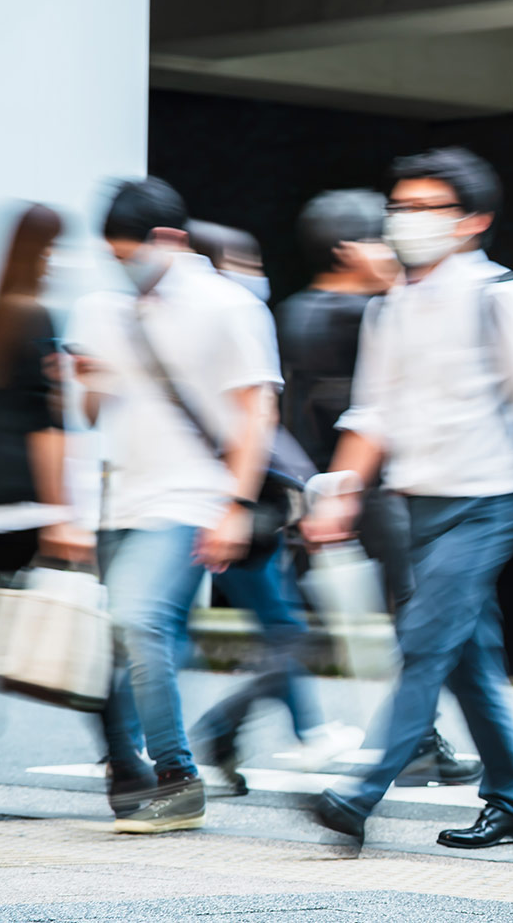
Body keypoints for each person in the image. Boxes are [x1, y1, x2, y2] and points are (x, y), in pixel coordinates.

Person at [300, 147, 513, 849]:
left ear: (473, 221)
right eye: (400, 207)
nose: (407, 220)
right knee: (467, 655)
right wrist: (340, 490)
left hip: (488, 501)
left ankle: (360, 789)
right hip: (422, 502)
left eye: (425, 208)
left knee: (425, 639)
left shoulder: (504, 296)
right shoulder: (392, 306)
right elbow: (371, 412)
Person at [69, 178, 285, 834]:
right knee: (127, 636)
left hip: (192, 495)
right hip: (117, 498)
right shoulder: (101, 308)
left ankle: (175, 774)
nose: (123, 264)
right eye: (114, 254)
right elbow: (88, 410)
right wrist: (87, 379)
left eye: (132, 251)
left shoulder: (229, 305)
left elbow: (257, 412)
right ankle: (129, 767)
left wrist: (235, 504)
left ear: (173, 241)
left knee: (139, 618)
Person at [274, 191, 478, 787]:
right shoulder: (364, 312)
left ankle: (418, 737)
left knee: (321, 622)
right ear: (346, 249)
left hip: (324, 486)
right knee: (418, 613)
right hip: (371, 488)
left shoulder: (295, 310)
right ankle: (415, 739)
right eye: (378, 238)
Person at [182, 221, 364, 793]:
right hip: (234, 509)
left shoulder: (223, 329)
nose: (254, 277)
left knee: (280, 627)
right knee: (284, 629)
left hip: (237, 506)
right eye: (242, 261)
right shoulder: (220, 331)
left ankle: (222, 737)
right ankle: (218, 734)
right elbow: (254, 427)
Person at [0, 205, 96, 666]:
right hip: (30, 495)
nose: (59, 260)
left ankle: (118, 737)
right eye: (55, 247)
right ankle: (121, 739)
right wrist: (60, 511)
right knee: (82, 619)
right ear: (41, 252)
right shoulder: (36, 320)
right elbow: (47, 426)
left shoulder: (1, 316)